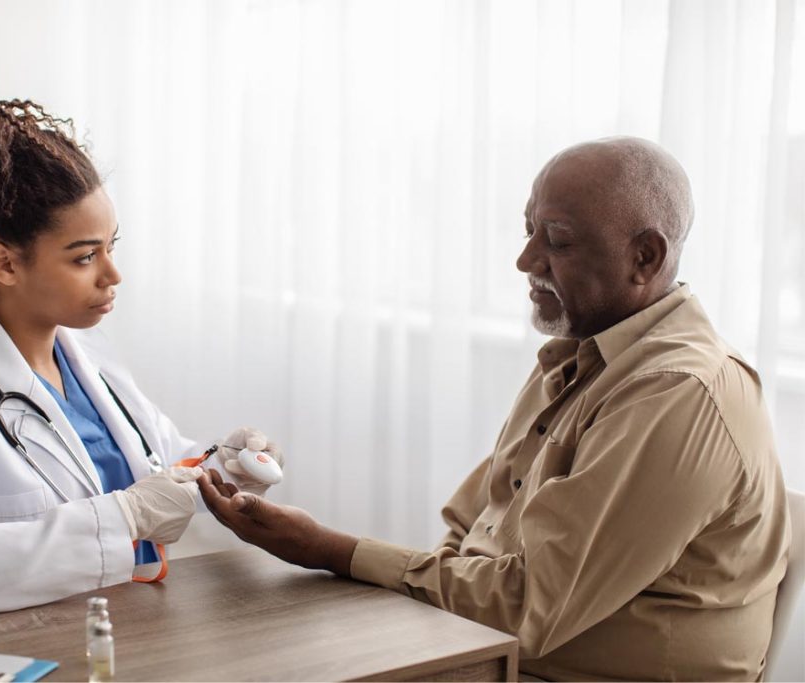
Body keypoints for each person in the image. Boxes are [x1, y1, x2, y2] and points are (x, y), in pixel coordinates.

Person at [198, 137, 791, 681]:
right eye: (527, 231)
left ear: (645, 257)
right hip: (491, 657)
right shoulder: (581, 358)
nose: (526, 260)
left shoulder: (677, 393)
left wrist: (329, 550)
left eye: (556, 241)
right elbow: (469, 529)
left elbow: (528, 607)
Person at [0, 100, 283, 618]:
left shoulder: (89, 357)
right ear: (4, 263)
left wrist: (227, 463)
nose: (112, 275)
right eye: (85, 256)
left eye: (112, 247)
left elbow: (166, 467)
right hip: (33, 644)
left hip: (136, 626)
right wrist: (126, 517)